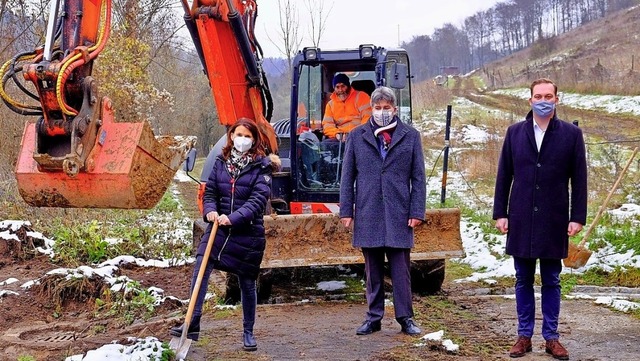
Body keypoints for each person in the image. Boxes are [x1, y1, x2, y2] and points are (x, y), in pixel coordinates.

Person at [493, 78, 587, 360]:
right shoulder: (514, 133)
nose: (543, 100)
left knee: (551, 279)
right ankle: (524, 336)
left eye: (548, 95)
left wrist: (577, 217)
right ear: (530, 100)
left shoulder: (571, 134)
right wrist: (500, 212)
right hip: (521, 215)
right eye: (538, 96)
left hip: (554, 217)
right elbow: (504, 176)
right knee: (523, 279)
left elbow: (579, 179)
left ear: (557, 99)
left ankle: (552, 337)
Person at [170, 118, 280, 352]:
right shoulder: (221, 162)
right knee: (200, 269)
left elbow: (257, 202)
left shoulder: (262, 167)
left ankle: (248, 331)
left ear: (254, 140)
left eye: (247, 136)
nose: (242, 140)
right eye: (238, 134)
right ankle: (192, 323)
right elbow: (210, 192)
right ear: (231, 136)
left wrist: (233, 217)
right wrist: (210, 211)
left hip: (247, 235)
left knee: (247, 283)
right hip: (218, 231)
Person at [339, 86, 425, 336]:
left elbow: (418, 177)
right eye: (377, 108)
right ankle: (373, 317)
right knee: (372, 271)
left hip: (399, 211)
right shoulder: (357, 136)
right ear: (371, 110)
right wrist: (347, 210)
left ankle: (405, 318)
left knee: (401, 270)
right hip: (368, 210)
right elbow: (347, 177)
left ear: (395, 109)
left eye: (387, 108)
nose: (382, 112)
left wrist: (417, 211)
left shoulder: (410, 136)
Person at [322, 73, 372, 141]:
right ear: (334, 88)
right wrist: (337, 134)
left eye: (343, 86)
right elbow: (327, 125)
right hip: (340, 138)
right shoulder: (330, 105)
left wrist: (358, 133)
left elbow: (367, 119)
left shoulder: (362, 97)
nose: (340, 90)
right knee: (325, 145)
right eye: (337, 87)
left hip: (360, 135)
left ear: (348, 86)